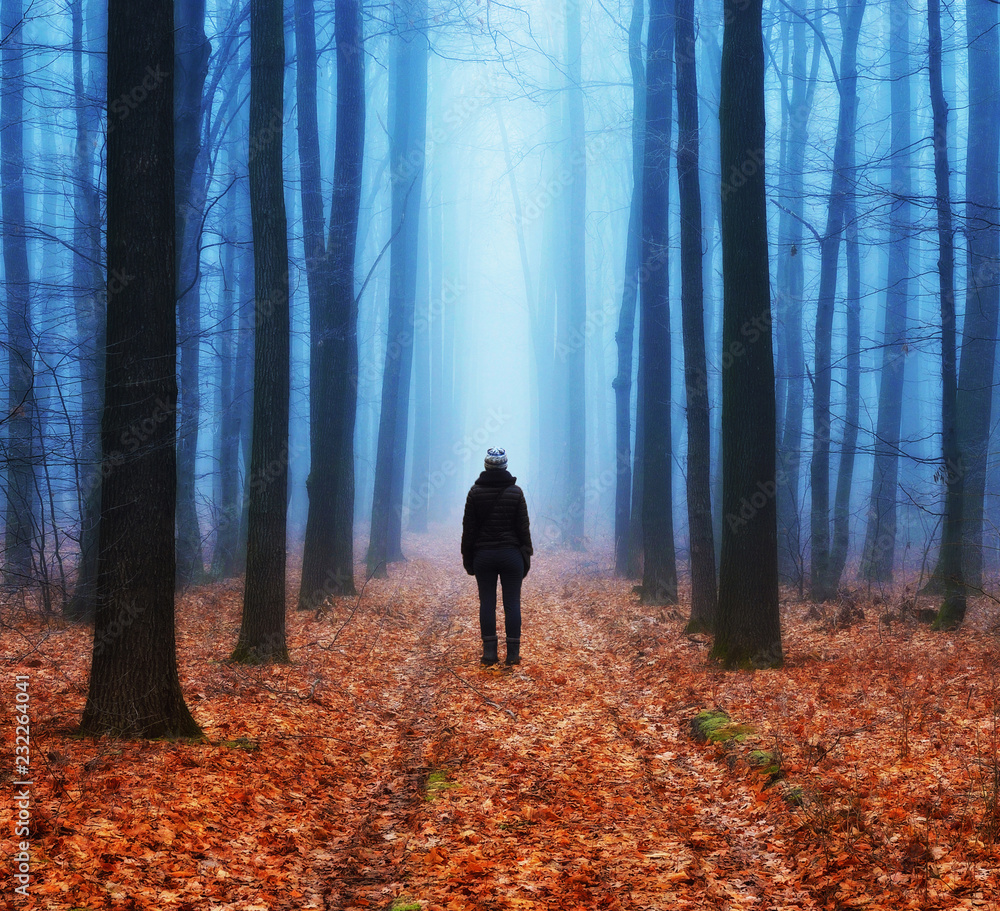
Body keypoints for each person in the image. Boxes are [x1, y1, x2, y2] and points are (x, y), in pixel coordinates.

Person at [461, 447, 533, 667]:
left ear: (486, 466)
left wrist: (468, 558)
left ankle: (489, 654)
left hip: (484, 556)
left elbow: (469, 531)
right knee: (512, 603)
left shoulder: (474, 493)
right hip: (511, 556)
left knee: (487, 603)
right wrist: (526, 556)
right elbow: (524, 529)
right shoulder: (516, 493)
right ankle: (512, 655)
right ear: (505, 466)